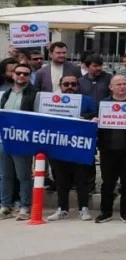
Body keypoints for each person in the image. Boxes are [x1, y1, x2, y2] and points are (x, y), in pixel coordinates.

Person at [44, 73, 98, 221]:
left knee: (81, 179)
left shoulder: (86, 100)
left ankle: (83, 208)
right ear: (60, 86)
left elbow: (94, 114)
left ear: (78, 86)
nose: (70, 87)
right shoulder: (51, 101)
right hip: (58, 146)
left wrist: (83, 118)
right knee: (61, 180)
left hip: (79, 146)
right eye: (66, 84)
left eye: (73, 84)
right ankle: (62, 208)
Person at [96, 74, 126, 224]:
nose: (122, 87)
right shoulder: (104, 104)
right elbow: (97, 123)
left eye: (124, 84)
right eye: (118, 84)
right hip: (108, 149)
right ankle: (106, 211)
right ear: (111, 87)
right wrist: (95, 121)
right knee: (107, 182)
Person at [0, 62, 38, 219]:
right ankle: (5, 205)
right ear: (13, 75)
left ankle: (24, 206)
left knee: (23, 175)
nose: (21, 76)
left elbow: (37, 117)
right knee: (5, 175)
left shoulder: (35, 94)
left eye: (25, 74)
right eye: (19, 73)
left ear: (30, 77)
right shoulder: (5, 93)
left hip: (22, 140)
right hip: (3, 140)